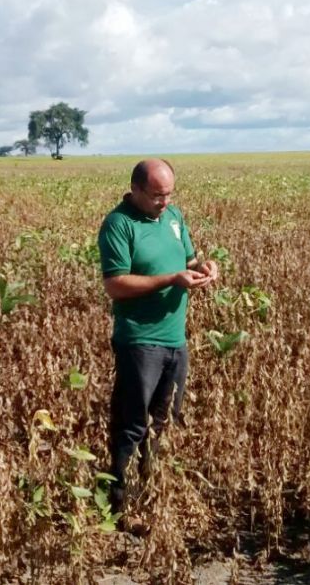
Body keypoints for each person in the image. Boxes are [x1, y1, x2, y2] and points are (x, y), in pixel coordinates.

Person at [98, 159, 219, 516]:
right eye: (156, 196)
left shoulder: (174, 217)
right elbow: (115, 284)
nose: (164, 202)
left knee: (165, 422)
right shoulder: (119, 224)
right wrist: (170, 279)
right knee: (133, 424)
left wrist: (204, 267)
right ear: (135, 190)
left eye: (168, 194)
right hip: (139, 341)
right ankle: (119, 505)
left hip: (175, 340)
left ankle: (151, 494)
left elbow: (189, 260)